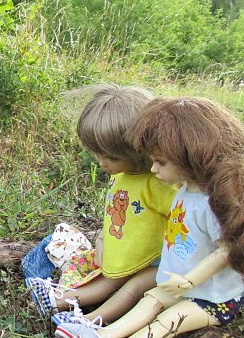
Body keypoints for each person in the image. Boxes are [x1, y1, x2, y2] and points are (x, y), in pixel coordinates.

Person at [56, 97, 244, 338]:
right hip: (175, 281)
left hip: (213, 298)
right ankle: (93, 329)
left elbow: (227, 248)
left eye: (161, 162)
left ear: (192, 159)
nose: (153, 168)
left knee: (167, 320)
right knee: (149, 301)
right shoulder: (183, 192)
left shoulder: (211, 204)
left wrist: (190, 281)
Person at [28, 85, 176, 325]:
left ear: (140, 151)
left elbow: (181, 221)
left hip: (155, 259)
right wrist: (103, 239)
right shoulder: (124, 173)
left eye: (112, 157)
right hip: (123, 248)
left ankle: (87, 318)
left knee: (129, 286)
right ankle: (57, 298)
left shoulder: (158, 183)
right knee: (106, 275)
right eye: (97, 154)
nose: (102, 163)